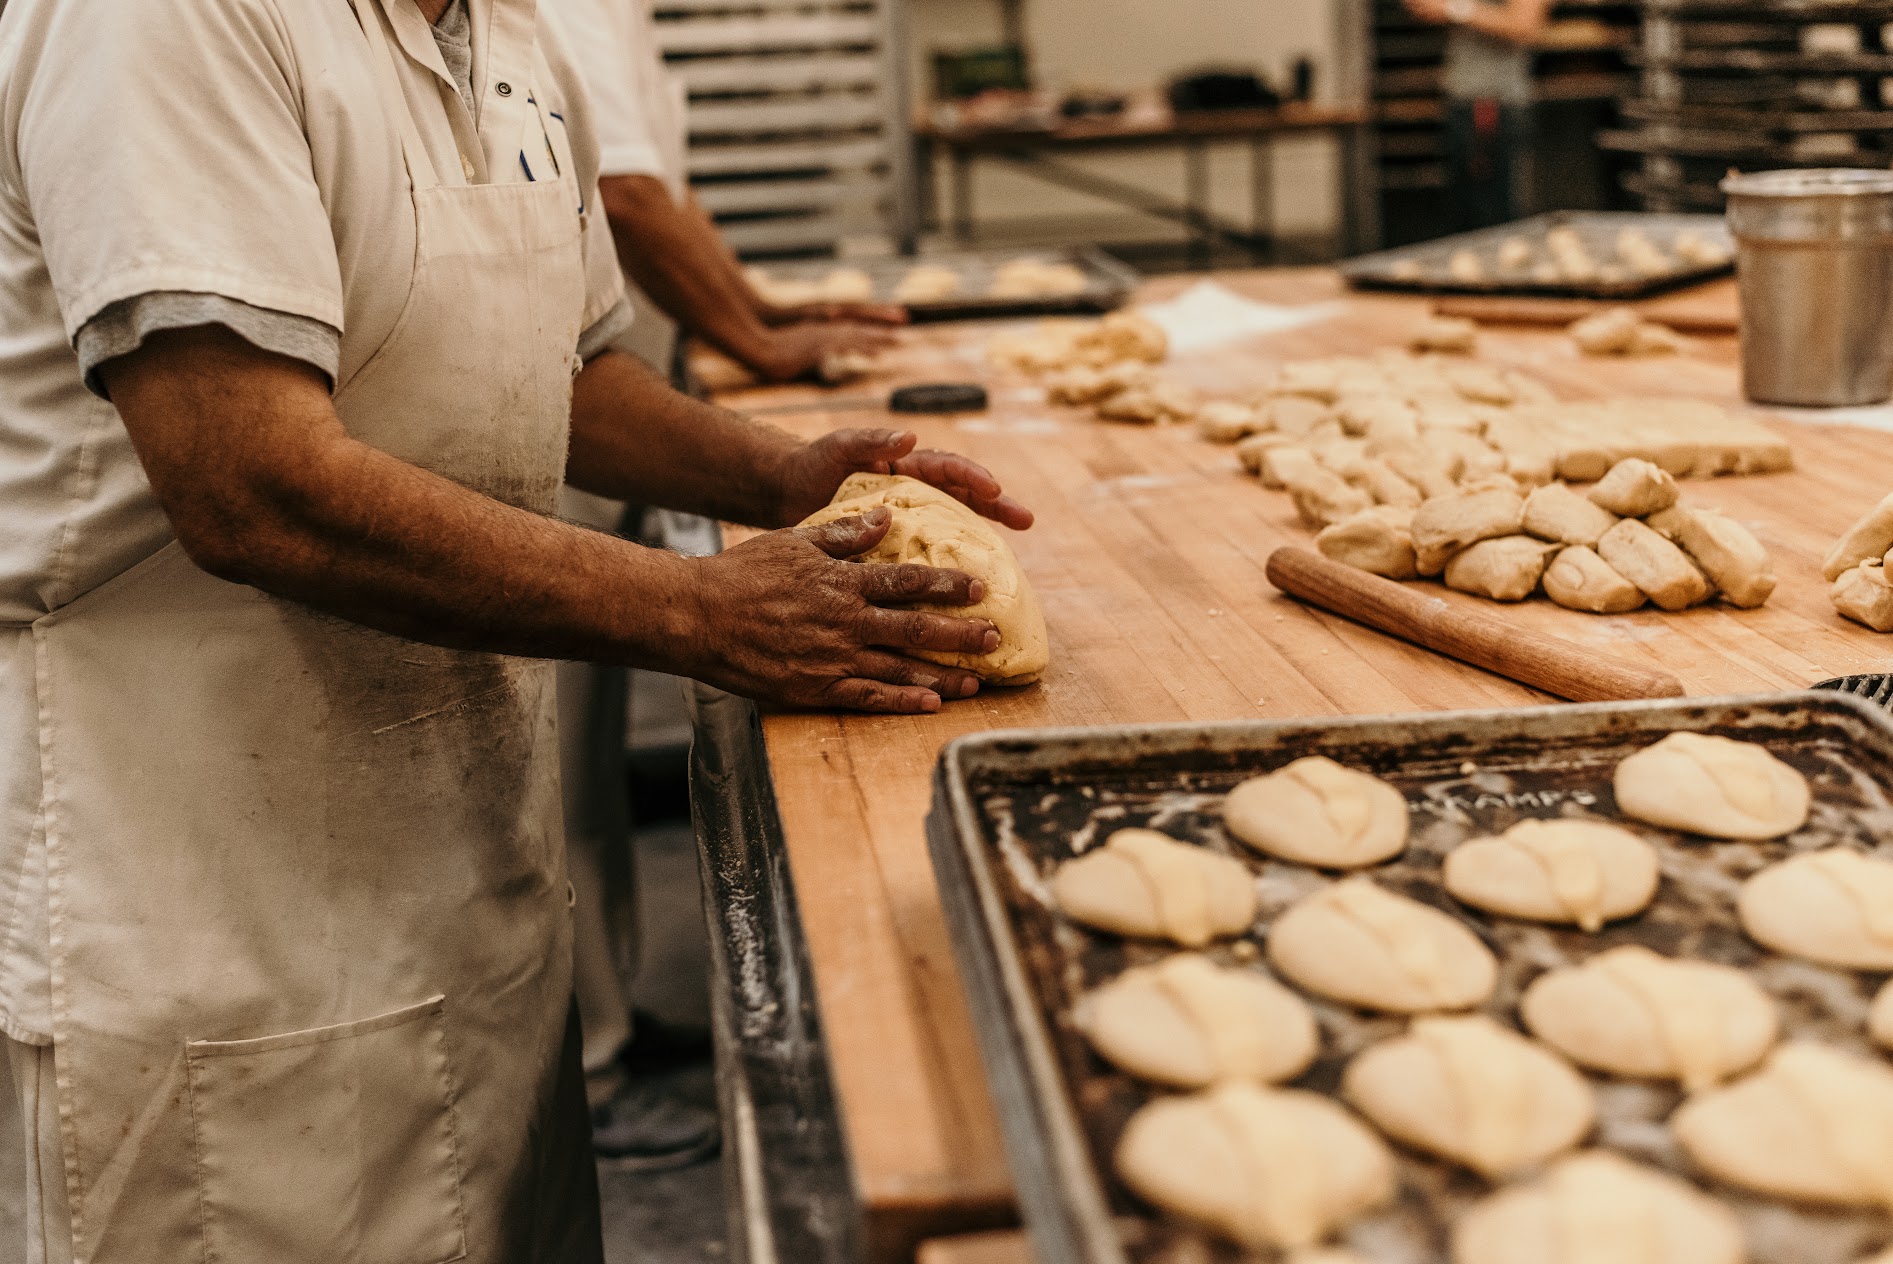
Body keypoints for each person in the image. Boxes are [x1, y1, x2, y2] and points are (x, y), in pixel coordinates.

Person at [0, 1, 1032, 1260]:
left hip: (460, 872)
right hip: (205, 890)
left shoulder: (505, 34)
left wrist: (779, 479)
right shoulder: (166, 23)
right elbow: (245, 479)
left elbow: (572, 371)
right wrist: (699, 609)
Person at [548, 0, 903, 382]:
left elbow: (665, 192)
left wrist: (761, 311)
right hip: (594, 375)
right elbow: (626, 195)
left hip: (638, 362)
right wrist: (762, 347)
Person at [1404, 0, 1549, 229]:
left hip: (1494, 105)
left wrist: (1456, 9)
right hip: (1463, 103)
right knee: (1464, 216)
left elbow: (1525, 26)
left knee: (1496, 218)